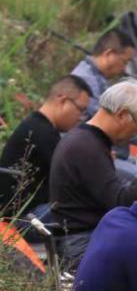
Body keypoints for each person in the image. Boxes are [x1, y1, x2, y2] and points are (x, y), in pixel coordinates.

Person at [50, 80, 137, 267]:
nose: (136, 134)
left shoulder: (87, 140)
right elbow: (119, 201)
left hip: (90, 236)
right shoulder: (87, 147)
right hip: (81, 243)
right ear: (122, 115)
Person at [72, 29, 137, 178]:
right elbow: (112, 122)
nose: (125, 68)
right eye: (124, 61)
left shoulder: (99, 78)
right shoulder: (85, 80)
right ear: (109, 54)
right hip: (91, 153)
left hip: (112, 152)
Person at [0, 75, 92, 222]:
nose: (80, 117)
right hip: (21, 217)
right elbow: (74, 179)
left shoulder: (38, 126)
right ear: (63, 101)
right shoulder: (44, 134)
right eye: (81, 110)